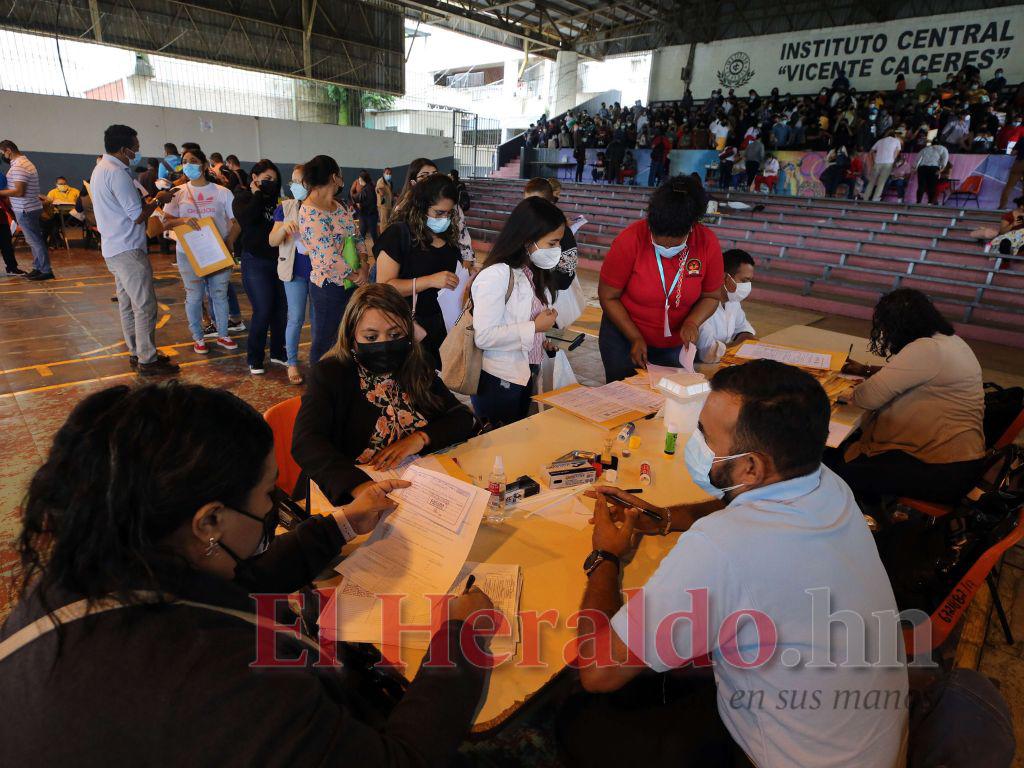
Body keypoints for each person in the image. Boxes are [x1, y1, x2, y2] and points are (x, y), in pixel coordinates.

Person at [0, 381, 491, 765]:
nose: (273, 510)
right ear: (209, 521)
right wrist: (460, 638)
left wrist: (344, 523)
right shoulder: (222, 680)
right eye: (267, 496)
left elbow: (239, 580)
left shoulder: (95, 571)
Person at [567, 360, 908, 768]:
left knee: (580, 720)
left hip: (789, 759)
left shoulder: (720, 548)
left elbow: (598, 671)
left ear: (751, 466)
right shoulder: (830, 486)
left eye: (707, 437)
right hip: (868, 742)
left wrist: (605, 555)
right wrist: (668, 519)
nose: (697, 442)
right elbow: (744, 504)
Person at [293, 284, 476, 503]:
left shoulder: (415, 364)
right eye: (371, 338)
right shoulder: (331, 374)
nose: (384, 344)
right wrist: (359, 487)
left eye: (395, 334)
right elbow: (306, 441)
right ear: (352, 337)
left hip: (412, 483)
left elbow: (461, 416)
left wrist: (419, 439)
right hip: (350, 489)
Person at [826, 289, 986, 505]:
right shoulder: (949, 341)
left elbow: (867, 398)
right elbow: (913, 373)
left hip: (940, 470)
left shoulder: (926, 349)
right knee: (848, 455)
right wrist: (866, 370)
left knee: (837, 477)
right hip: (960, 460)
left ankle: (873, 524)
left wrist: (839, 390)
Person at [598, 176, 723, 383]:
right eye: (658, 239)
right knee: (623, 395)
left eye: (673, 241)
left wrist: (693, 322)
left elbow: (711, 295)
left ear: (692, 227)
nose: (665, 247)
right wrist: (635, 337)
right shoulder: (630, 239)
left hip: (673, 343)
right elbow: (608, 296)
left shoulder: (707, 243)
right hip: (623, 336)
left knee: (663, 400)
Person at [90, 125, 179, 376]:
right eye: (135, 147)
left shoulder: (101, 169)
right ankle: (148, 360)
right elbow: (137, 216)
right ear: (123, 149)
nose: (137, 151)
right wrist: (159, 200)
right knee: (145, 306)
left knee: (128, 304)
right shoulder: (116, 174)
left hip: (113, 247)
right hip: (128, 249)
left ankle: (136, 352)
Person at [470, 197, 563, 427]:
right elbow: (484, 336)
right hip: (498, 379)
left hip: (525, 373)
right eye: (552, 243)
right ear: (528, 239)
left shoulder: (532, 271)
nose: (557, 250)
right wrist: (534, 328)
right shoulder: (497, 275)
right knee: (498, 448)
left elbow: (519, 318)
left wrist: (541, 338)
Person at [374, 174, 461, 368]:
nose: (444, 219)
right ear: (421, 208)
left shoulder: (450, 239)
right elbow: (384, 287)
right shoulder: (399, 235)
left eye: (449, 214)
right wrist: (430, 280)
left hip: (443, 326)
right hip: (408, 325)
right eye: (438, 213)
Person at [161, 148, 239, 355]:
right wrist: (183, 220)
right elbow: (165, 223)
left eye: (193, 161)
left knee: (219, 294)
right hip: (188, 253)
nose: (188, 165)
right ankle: (198, 337)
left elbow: (236, 221)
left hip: (217, 252)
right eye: (185, 161)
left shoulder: (222, 192)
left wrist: (229, 242)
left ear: (204, 165)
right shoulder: (177, 193)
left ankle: (223, 334)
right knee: (194, 296)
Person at [299, 155, 368, 365]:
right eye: (340, 174)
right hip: (330, 287)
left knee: (350, 337)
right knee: (326, 341)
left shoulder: (341, 206)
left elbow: (356, 236)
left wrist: (364, 265)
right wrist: (356, 276)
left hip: (355, 281)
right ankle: (319, 387)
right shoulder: (309, 212)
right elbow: (326, 255)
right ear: (334, 177)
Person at [233, 159, 286, 375]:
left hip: (279, 261)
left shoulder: (279, 201)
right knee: (263, 310)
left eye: (274, 180)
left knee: (281, 311)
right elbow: (246, 219)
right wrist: (256, 193)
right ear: (254, 178)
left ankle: (277, 352)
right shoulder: (243, 198)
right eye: (266, 179)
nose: (271, 183)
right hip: (255, 261)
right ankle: (255, 357)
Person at [270, 164, 313, 385]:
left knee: (318, 320)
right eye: (293, 182)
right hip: (294, 272)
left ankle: (318, 362)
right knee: (295, 318)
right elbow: (272, 241)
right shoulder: (285, 208)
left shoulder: (322, 208)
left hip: (320, 273)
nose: (296, 186)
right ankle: (292, 362)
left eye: (300, 182)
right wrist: (284, 229)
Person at [0, 140, 53, 280]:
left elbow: (19, 192)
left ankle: (46, 270)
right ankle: (38, 267)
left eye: (2, 153)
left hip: (25, 209)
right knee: (33, 240)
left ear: (8, 150)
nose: (2, 156)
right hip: (28, 207)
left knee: (35, 241)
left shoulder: (19, 166)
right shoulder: (24, 162)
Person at [696, 249, 756, 363]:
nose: (747, 286)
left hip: (723, 362)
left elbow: (743, 328)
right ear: (724, 277)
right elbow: (709, 353)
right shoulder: (701, 304)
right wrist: (740, 345)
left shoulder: (733, 301)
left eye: (750, 281)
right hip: (698, 368)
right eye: (744, 281)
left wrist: (745, 337)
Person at [864, 131, 903, 202]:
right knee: (881, 182)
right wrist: (893, 159)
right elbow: (897, 151)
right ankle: (875, 199)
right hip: (888, 163)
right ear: (894, 135)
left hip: (878, 162)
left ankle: (865, 198)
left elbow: (871, 151)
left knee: (871, 182)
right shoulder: (896, 141)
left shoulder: (880, 141)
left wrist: (873, 160)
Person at [0, 168, 23, 275]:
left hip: (1, 217)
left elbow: (5, 197)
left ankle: (12, 267)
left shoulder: (1, 177)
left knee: (6, 244)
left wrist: (13, 215)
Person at [354, 170, 378, 248]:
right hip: (371, 215)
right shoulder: (370, 187)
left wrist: (359, 204)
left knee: (364, 235)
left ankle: (361, 251)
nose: (359, 181)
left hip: (367, 215)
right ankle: (377, 252)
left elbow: (359, 198)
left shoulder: (367, 189)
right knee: (372, 235)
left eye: (360, 179)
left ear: (363, 179)